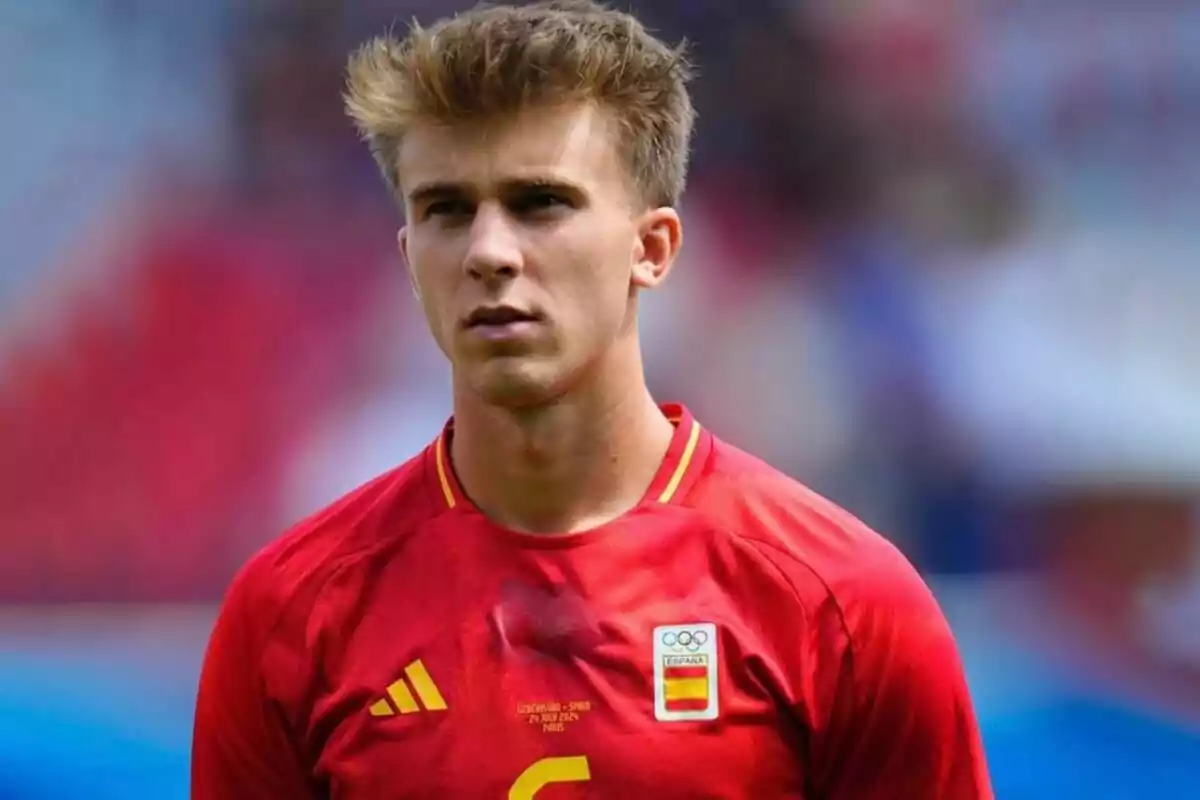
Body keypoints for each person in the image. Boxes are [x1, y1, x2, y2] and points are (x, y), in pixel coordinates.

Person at [191, 1, 993, 797]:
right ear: (408, 257)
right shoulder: (289, 617)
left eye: (541, 203)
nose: (489, 252)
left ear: (652, 249)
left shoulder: (844, 603)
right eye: (447, 210)